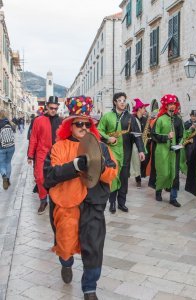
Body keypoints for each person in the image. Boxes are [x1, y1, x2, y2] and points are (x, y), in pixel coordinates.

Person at [44, 96, 117, 300]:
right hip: (66, 205)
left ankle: (89, 288)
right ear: (70, 125)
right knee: (65, 244)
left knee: (94, 247)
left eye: (87, 123)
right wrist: (75, 166)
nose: (83, 127)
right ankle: (66, 263)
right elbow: (49, 176)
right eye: (79, 123)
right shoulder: (59, 147)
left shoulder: (101, 147)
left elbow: (112, 172)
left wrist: (99, 166)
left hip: (93, 204)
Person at [98, 92, 145, 213]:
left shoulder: (131, 118)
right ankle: (112, 203)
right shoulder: (107, 116)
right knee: (113, 177)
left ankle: (122, 203)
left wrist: (141, 150)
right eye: (120, 100)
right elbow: (99, 131)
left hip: (126, 153)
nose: (123, 102)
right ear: (115, 102)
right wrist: (107, 138)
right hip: (111, 153)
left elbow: (137, 136)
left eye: (124, 100)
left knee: (124, 178)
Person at [28, 96, 62, 214]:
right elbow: (33, 138)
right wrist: (30, 155)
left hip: (56, 154)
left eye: (55, 108)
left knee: (56, 177)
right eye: (51, 108)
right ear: (47, 106)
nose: (53, 110)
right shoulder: (38, 120)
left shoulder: (61, 121)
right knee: (40, 177)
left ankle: (54, 198)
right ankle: (43, 200)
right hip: (41, 153)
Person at [151, 94, 183, 207]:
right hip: (162, 151)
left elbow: (181, 135)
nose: (172, 106)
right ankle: (158, 191)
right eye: (170, 104)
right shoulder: (160, 119)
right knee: (163, 173)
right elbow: (153, 134)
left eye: (174, 104)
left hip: (174, 152)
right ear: (166, 105)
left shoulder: (178, 120)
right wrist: (166, 137)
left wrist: (180, 142)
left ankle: (173, 198)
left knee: (174, 175)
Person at [130, 98, 150, 188]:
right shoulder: (133, 119)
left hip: (145, 143)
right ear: (139, 109)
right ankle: (138, 179)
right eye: (144, 108)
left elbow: (149, 130)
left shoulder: (146, 119)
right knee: (136, 161)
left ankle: (142, 174)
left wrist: (148, 134)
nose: (145, 110)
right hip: (135, 144)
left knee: (145, 160)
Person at [183, 110, 196, 195]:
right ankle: (188, 174)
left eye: (195, 116)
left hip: (195, 143)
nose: (194, 117)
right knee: (189, 160)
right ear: (190, 115)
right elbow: (184, 134)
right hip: (189, 144)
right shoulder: (186, 123)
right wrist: (188, 139)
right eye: (192, 116)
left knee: (194, 161)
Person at [0, 110, 15, 190]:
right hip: (11, 146)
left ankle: (4, 176)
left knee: (1, 164)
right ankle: (8, 180)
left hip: (1, 147)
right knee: (8, 162)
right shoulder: (10, 123)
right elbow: (14, 130)